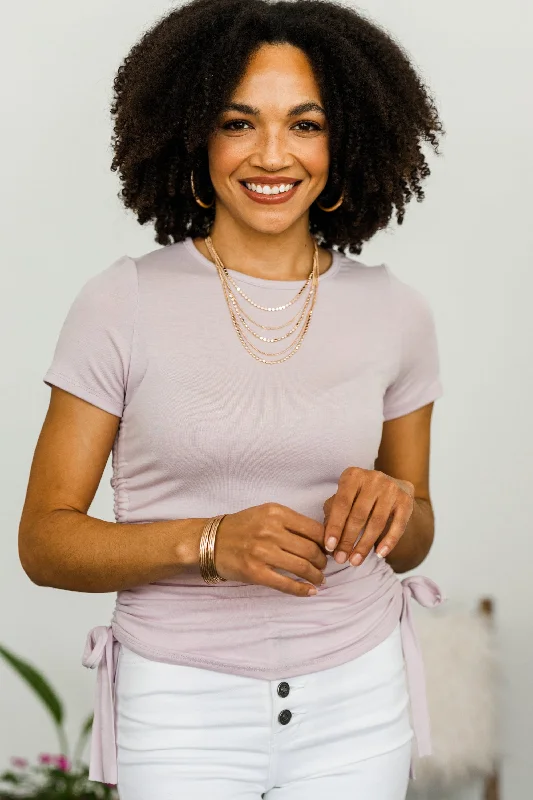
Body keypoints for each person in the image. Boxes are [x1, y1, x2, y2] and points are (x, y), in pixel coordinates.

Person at [18, 0, 447, 797]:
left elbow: (416, 529)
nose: (273, 153)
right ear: (193, 134)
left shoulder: (397, 311)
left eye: (306, 124)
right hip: (180, 704)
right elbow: (45, 541)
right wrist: (209, 541)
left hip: (358, 693)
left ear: (345, 139)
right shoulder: (122, 302)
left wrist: (393, 505)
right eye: (239, 122)